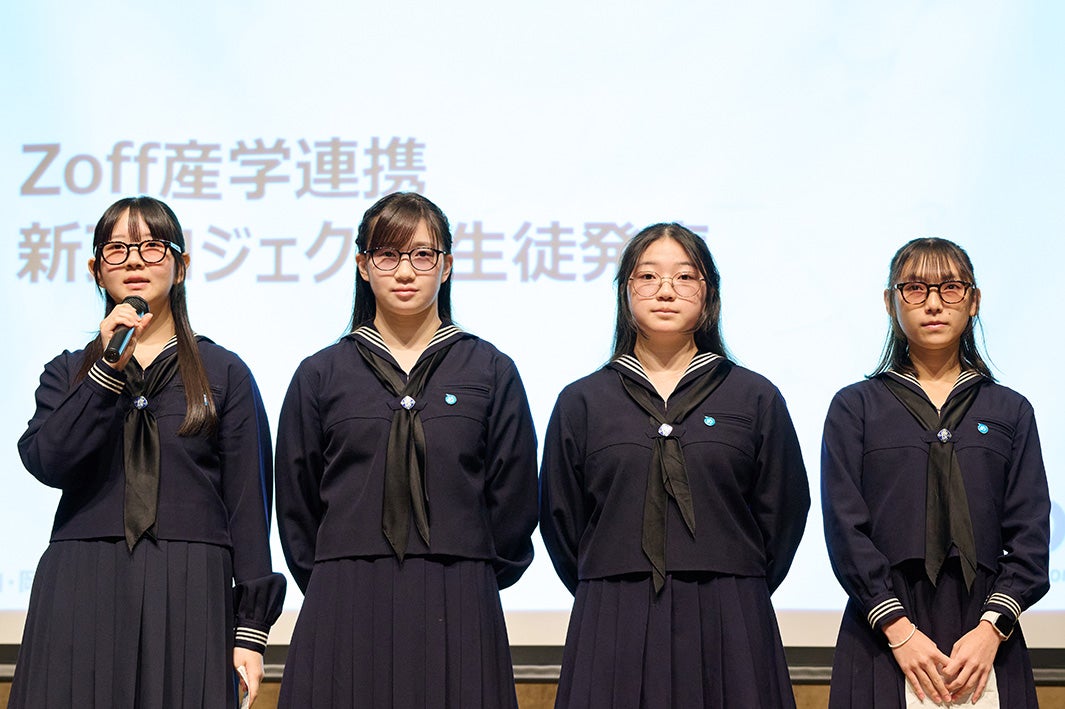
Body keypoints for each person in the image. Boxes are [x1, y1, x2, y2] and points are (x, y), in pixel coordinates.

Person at [12, 196, 285, 708]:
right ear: (96, 270)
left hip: (190, 580)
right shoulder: (67, 371)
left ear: (181, 266)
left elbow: (250, 504)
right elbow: (47, 460)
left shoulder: (223, 373)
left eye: (152, 247)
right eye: (116, 249)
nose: (134, 260)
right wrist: (105, 372)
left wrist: (249, 628)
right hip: (83, 579)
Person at [275, 192, 538, 709]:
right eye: (387, 255)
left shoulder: (489, 370)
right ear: (361, 265)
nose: (405, 271)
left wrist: (471, 570)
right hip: (344, 599)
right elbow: (296, 504)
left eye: (422, 255)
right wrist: (338, 571)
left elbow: (514, 502)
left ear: (446, 267)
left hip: (459, 594)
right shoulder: (321, 373)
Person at [539, 222, 810, 708]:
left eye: (685, 277)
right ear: (625, 292)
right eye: (648, 276)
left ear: (709, 294)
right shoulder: (582, 401)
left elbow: (783, 510)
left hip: (730, 615)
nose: (666, 290)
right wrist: (611, 576)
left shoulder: (754, 396)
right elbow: (561, 520)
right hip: (613, 614)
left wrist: (732, 580)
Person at [821, 237, 1050, 707]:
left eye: (950, 288)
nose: (933, 304)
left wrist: (992, 629)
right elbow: (845, 529)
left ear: (974, 300)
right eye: (914, 289)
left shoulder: (1009, 410)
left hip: (986, 633)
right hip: (883, 629)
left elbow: (1031, 537)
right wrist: (899, 631)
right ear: (890, 301)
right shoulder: (855, 407)